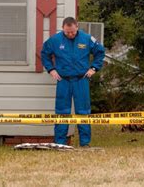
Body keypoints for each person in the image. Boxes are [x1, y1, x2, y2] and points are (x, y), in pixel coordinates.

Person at [41, 17, 105, 147]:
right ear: (63, 29)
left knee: (83, 111)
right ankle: (60, 143)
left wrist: (94, 68)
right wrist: (51, 69)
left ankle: (85, 143)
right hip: (63, 81)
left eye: (72, 32)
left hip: (81, 80)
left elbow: (100, 52)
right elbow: (44, 54)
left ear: (77, 27)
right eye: (67, 32)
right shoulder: (55, 40)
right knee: (62, 111)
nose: (70, 34)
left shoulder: (87, 39)